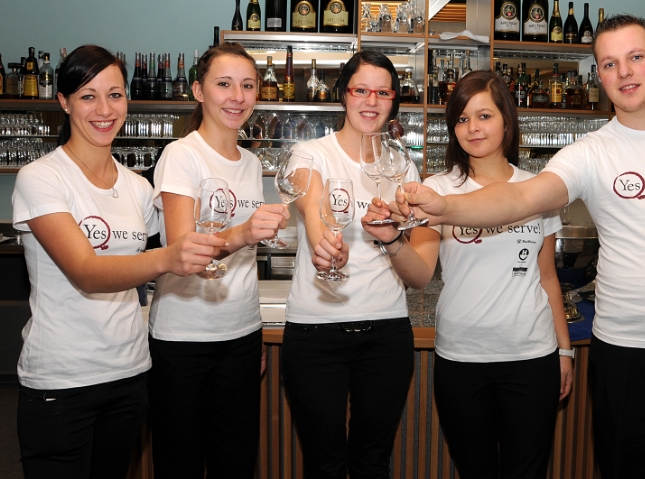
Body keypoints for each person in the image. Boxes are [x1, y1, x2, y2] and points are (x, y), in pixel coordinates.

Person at [391, 15, 645, 478]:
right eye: (610, 63)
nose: (624, 72)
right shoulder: (588, 152)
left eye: (635, 57)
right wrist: (444, 206)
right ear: (599, 75)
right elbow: (520, 197)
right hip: (623, 353)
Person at [11, 45, 226, 478]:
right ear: (64, 101)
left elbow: (187, 245)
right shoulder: (41, 178)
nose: (105, 110)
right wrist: (168, 257)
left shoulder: (137, 187)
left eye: (115, 95)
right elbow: (86, 273)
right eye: (88, 96)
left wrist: (241, 231)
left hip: (128, 373)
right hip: (62, 381)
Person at [365, 70, 573, 478]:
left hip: (531, 356)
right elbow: (420, 275)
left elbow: (547, 276)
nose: (472, 127)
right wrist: (392, 241)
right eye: (462, 119)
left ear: (507, 121)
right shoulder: (438, 189)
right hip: (462, 357)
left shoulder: (538, 189)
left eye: (484, 116)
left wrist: (564, 351)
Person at [147, 42, 289, 478]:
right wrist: (244, 232)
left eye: (247, 86)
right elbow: (182, 247)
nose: (237, 96)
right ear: (199, 91)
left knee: (236, 461)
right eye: (224, 84)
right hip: (183, 338)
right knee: (181, 463)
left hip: (240, 335)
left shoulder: (251, 163)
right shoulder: (181, 154)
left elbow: (244, 262)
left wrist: (254, 332)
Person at [281, 51, 418, 477]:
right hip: (316, 332)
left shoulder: (402, 167)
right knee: (323, 463)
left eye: (383, 92)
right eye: (361, 90)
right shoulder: (309, 154)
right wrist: (326, 246)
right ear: (344, 94)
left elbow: (416, 268)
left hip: (386, 331)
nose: (371, 101)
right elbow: (312, 204)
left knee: (372, 462)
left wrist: (392, 237)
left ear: (394, 101)